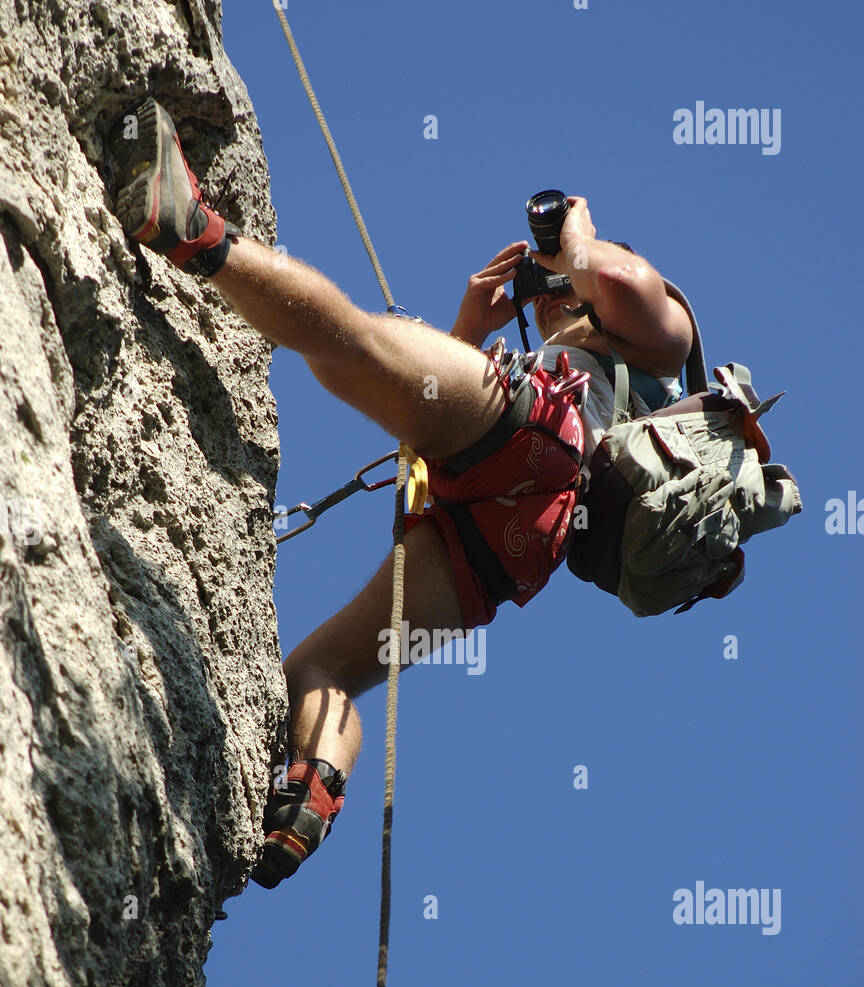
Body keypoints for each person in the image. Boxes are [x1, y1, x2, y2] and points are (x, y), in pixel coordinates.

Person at [115, 99, 693, 888]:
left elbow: (620, 280)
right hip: (519, 546)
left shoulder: (664, 339)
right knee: (325, 667)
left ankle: (189, 228)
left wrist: (578, 244)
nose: (549, 293)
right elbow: (440, 423)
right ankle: (310, 791)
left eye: (560, 284)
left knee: (347, 343)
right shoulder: (582, 370)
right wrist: (467, 333)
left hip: (541, 445)